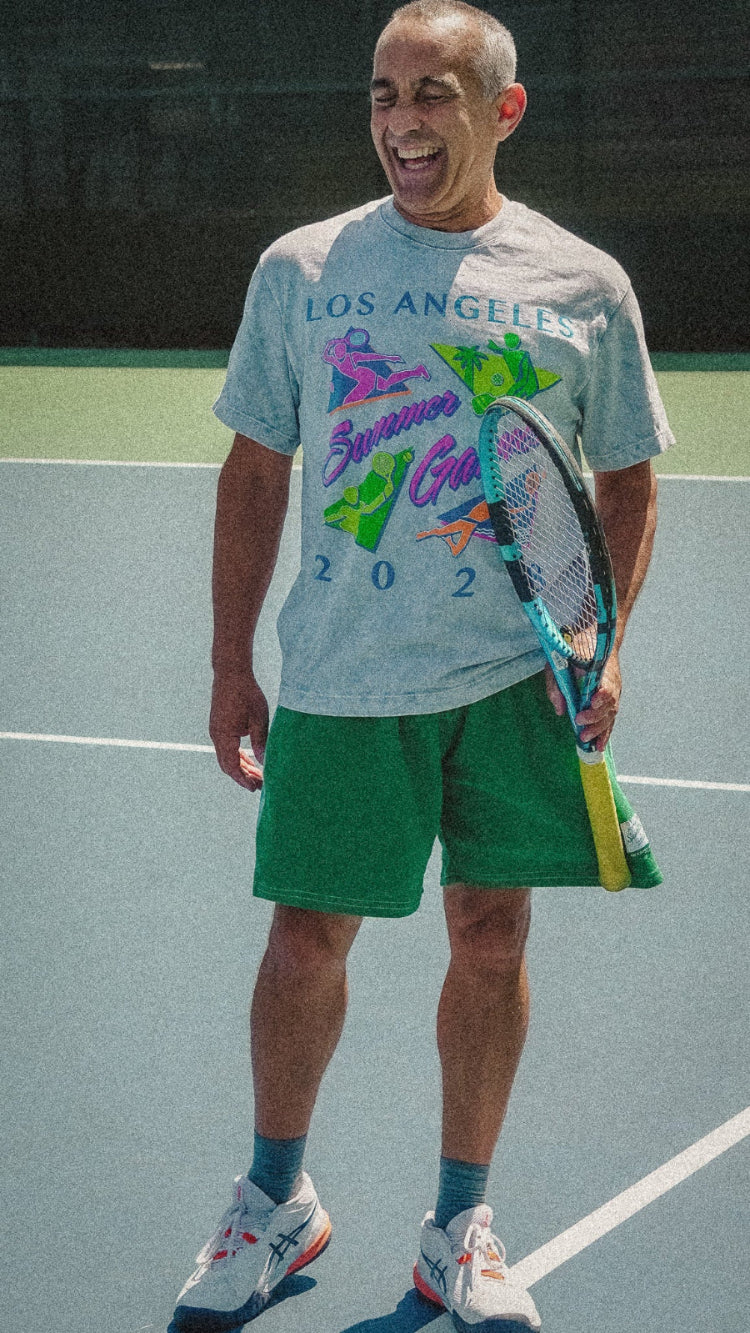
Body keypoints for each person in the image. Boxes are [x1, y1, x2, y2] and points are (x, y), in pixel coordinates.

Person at [169, 2, 673, 1330]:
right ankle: (275, 1197)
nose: (402, 120)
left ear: (499, 109)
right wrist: (231, 663)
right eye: (385, 94)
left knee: (492, 936)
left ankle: (459, 1223)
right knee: (303, 939)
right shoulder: (303, 268)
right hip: (341, 675)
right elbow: (255, 465)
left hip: (511, 685)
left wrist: (597, 638)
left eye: (434, 93)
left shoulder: (582, 284)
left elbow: (625, 478)